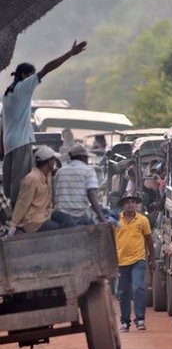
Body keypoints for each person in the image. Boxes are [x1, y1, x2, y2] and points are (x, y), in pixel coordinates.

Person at [2, 40, 87, 208]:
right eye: (32, 75)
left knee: (9, 180)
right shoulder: (23, 87)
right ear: (26, 75)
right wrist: (69, 54)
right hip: (21, 142)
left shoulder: (7, 93)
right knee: (21, 182)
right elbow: (47, 69)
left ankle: (8, 210)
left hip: (8, 143)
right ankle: (16, 215)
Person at [8, 146, 76, 235]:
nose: (55, 162)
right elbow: (22, 203)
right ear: (49, 162)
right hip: (34, 220)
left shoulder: (47, 174)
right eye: (53, 160)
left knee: (69, 221)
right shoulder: (31, 179)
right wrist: (13, 225)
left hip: (47, 213)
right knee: (57, 229)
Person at [115, 193, 156, 332]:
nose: (130, 204)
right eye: (127, 202)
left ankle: (140, 319)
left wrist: (152, 258)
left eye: (133, 202)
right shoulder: (116, 220)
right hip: (120, 261)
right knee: (123, 293)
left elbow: (149, 240)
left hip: (138, 259)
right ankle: (125, 321)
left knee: (139, 288)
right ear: (123, 205)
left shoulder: (142, 220)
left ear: (136, 204)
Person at [54, 143, 105, 224]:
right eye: (87, 158)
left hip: (61, 216)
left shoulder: (60, 171)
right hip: (79, 216)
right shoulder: (88, 170)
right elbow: (92, 195)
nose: (88, 160)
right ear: (82, 157)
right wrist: (101, 218)